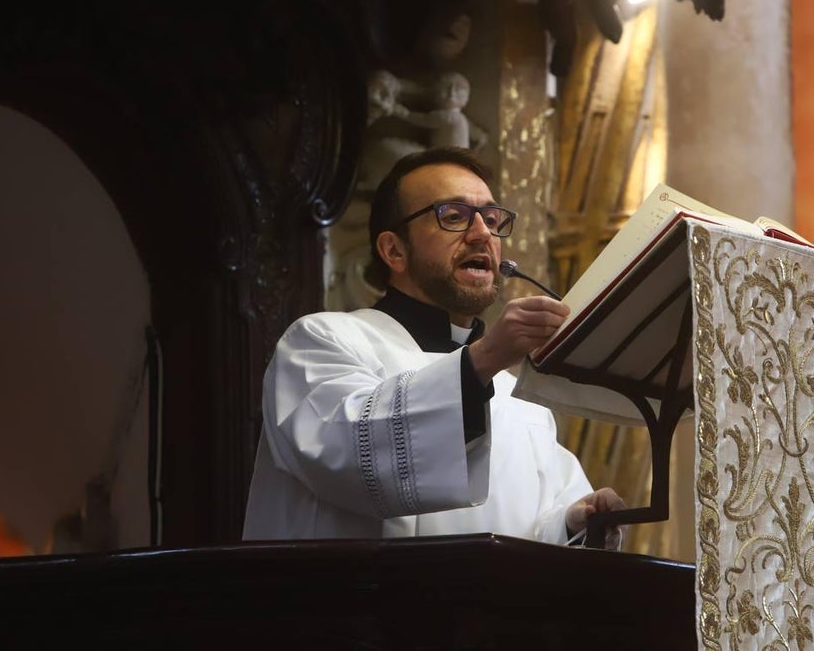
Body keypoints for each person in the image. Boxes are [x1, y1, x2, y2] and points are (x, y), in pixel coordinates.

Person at [242, 147, 625, 548]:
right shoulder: (320, 343)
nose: (482, 235)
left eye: (492, 220)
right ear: (394, 251)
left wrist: (575, 524)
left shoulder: (522, 400)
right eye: (454, 216)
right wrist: (486, 357)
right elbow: (351, 458)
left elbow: (532, 535)